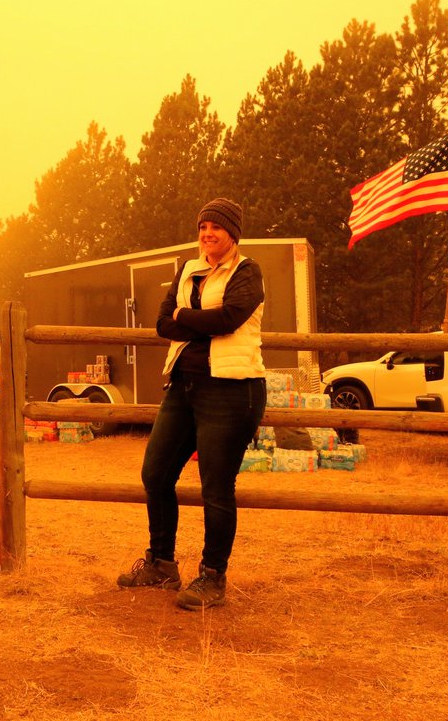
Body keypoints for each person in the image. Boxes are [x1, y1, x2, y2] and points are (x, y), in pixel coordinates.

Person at [117, 197, 267, 610]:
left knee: (216, 487)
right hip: (184, 387)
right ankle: (162, 564)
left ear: (232, 233)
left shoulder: (247, 272)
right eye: (202, 227)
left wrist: (185, 317)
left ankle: (213, 578)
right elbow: (163, 323)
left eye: (216, 227)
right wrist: (189, 319)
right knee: (156, 472)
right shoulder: (187, 270)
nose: (207, 234)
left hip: (232, 390)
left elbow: (229, 319)